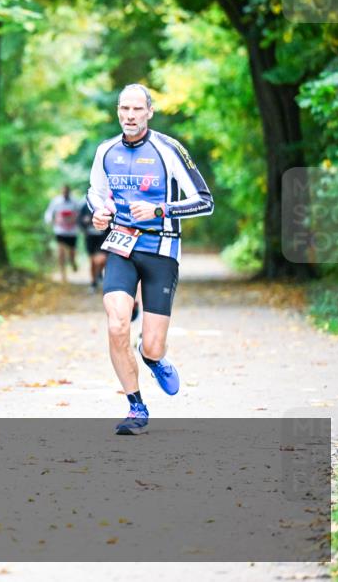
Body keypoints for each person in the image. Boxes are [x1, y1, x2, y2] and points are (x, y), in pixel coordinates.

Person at [87, 84, 213, 435]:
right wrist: (99, 212)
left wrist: (160, 210)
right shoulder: (105, 150)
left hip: (162, 249)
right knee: (117, 325)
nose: (130, 116)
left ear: (149, 112)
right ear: (118, 111)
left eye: (137, 109)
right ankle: (136, 406)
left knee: (154, 345)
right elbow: (95, 193)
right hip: (121, 246)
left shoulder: (168, 149)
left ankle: (152, 356)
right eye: (124, 109)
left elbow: (205, 201)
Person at [44, 185, 79, 283]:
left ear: (69, 192)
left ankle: (72, 261)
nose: (65, 194)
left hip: (72, 231)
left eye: (66, 192)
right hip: (60, 230)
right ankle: (63, 274)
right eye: (63, 192)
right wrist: (50, 221)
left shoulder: (75, 202)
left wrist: (76, 219)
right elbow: (49, 213)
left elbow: (80, 213)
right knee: (61, 252)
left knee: (72, 252)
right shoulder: (56, 201)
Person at [78, 196, 107, 293]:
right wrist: (84, 223)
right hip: (90, 238)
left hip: (102, 238)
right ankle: (93, 283)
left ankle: (99, 274)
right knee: (92, 261)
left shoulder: (106, 204)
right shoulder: (85, 206)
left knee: (101, 260)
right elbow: (79, 221)